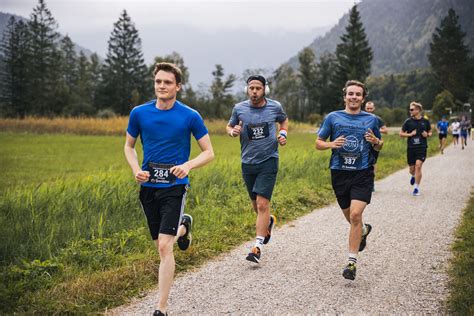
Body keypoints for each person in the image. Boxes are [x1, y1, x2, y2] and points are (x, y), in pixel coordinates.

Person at [124, 62, 214, 316]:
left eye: (167, 82)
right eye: (158, 82)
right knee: (161, 243)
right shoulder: (139, 113)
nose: (161, 86)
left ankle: (161, 308)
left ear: (178, 86)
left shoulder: (190, 116)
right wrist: (135, 170)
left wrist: (187, 165)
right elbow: (128, 147)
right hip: (149, 188)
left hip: (175, 187)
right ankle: (184, 226)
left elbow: (209, 152)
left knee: (165, 247)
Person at [316, 80, 383, 281]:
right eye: (351, 94)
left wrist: (376, 142)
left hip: (362, 173)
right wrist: (331, 144)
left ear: (363, 98)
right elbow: (318, 143)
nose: (354, 97)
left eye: (358, 94)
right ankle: (363, 230)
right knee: (350, 217)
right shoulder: (333, 118)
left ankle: (351, 263)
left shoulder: (372, 120)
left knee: (355, 215)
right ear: (345, 96)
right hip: (339, 173)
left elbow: (379, 145)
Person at [226, 75, 288, 264]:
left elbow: (283, 121)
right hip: (248, 163)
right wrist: (232, 131)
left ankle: (257, 247)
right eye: (251, 88)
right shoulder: (239, 109)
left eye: (258, 88)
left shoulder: (275, 107)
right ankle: (267, 222)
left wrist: (283, 133)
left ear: (264, 90)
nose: (254, 91)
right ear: (247, 90)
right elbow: (229, 126)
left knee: (262, 204)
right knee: (256, 205)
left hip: (269, 161)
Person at [399, 101, 432, 196]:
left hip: (421, 148)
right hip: (411, 148)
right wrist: (410, 134)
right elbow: (401, 134)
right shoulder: (408, 121)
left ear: (418, 110)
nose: (410, 111)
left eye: (412, 109)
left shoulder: (425, 121)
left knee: (418, 166)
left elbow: (430, 132)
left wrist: (427, 135)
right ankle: (413, 175)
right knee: (412, 169)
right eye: (410, 109)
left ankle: (416, 188)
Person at [364, 101, 388, 190]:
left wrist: (376, 130)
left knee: (373, 162)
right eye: (367, 108)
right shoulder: (361, 117)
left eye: (371, 108)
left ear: (374, 109)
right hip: (364, 142)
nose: (369, 110)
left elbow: (385, 130)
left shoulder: (377, 119)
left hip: (375, 143)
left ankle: (371, 182)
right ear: (365, 108)